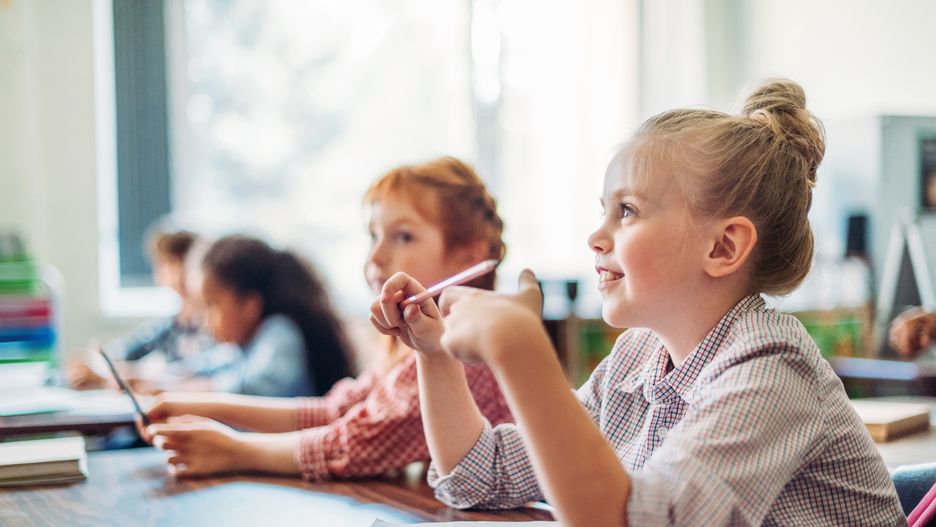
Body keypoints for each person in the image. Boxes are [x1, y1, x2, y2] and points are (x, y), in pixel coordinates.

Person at [372, 80, 905, 525]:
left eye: (626, 210)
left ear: (723, 247)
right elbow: (481, 475)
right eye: (603, 210)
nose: (596, 237)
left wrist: (521, 350)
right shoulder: (636, 359)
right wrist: (433, 353)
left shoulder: (772, 370)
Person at [139, 157, 513, 480]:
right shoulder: (410, 345)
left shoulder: (463, 348)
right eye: (374, 235)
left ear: (469, 256)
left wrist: (234, 451)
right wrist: (194, 405)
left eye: (403, 237)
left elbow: (357, 442)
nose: (376, 256)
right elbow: (336, 411)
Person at [164, 234, 354, 397]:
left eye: (211, 306)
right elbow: (209, 365)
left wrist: (189, 390)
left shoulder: (280, 332)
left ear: (249, 305)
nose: (204, 322)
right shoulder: (244, 344)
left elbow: (255, 387)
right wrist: (161, 380)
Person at [67, 228, 213, 389]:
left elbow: (200, 370)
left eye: (182, 262)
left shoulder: (216, 325)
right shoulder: (171, 325)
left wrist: (126, 374)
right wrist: (95, 363)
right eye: (168, 263)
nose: (176, 272)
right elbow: (123, 350)